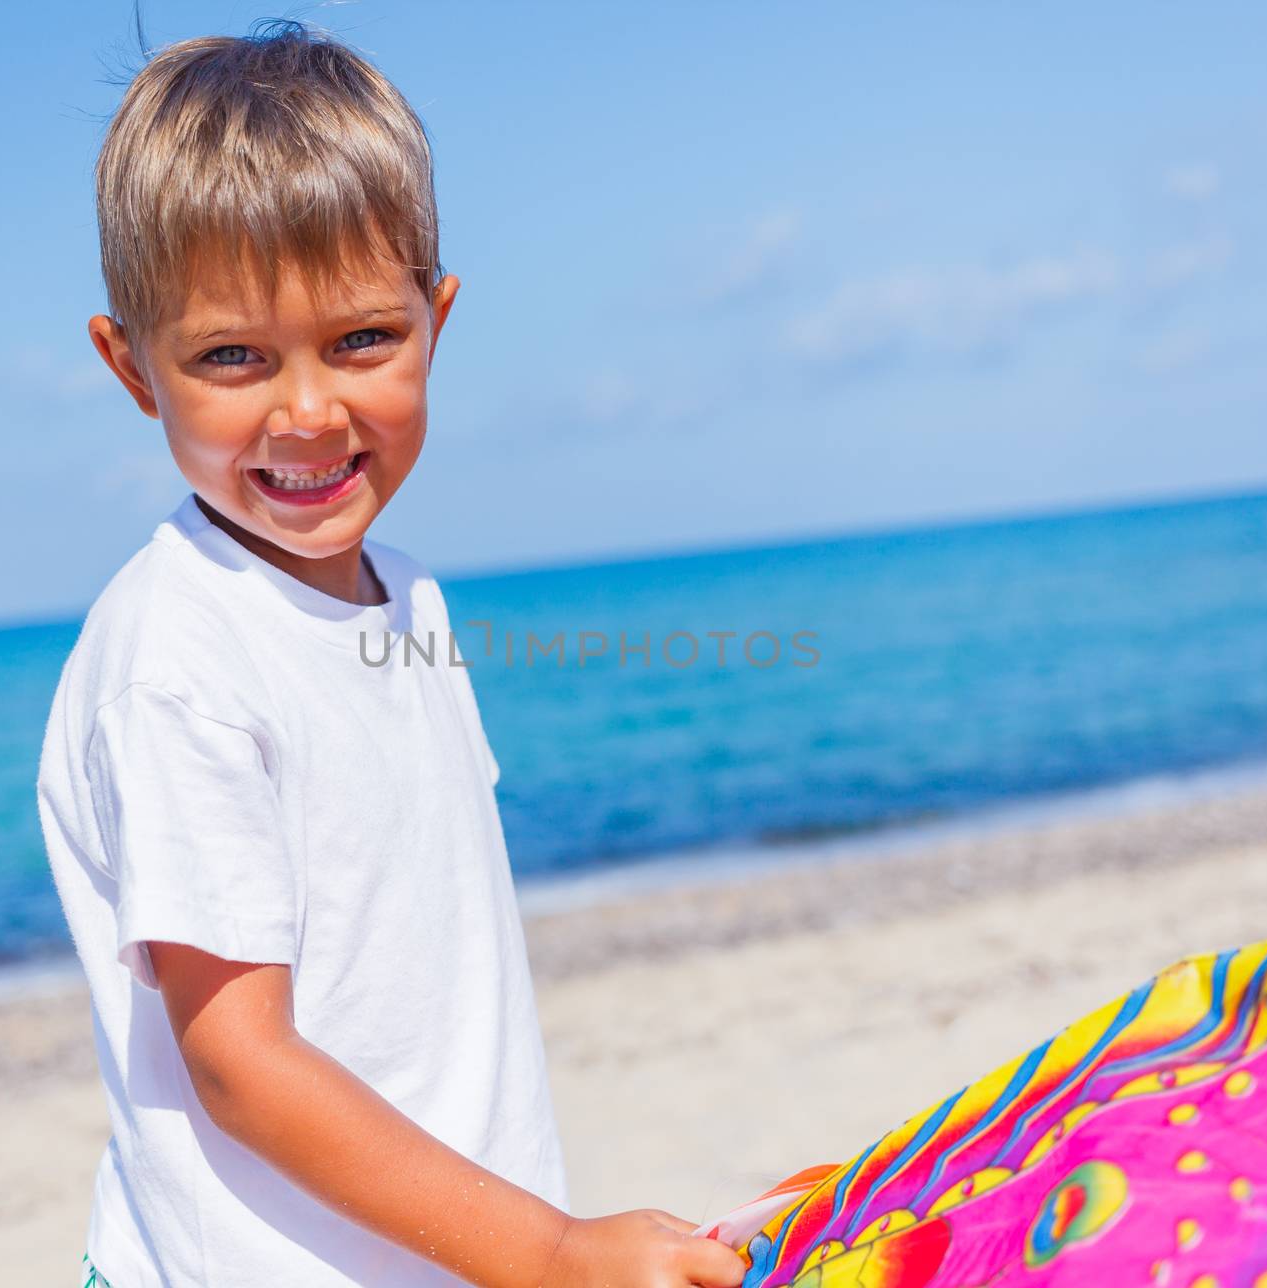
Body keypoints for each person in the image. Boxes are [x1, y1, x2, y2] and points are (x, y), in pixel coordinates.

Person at [36, 19, 746, 1288]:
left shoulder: (405, 598)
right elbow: (238, 1063)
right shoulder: (176, 658)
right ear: (132, 367)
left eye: (361, 338)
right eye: (230, 356)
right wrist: (549, 1250)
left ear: (437, 318)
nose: (306, 410)